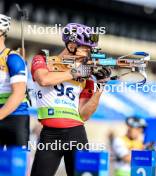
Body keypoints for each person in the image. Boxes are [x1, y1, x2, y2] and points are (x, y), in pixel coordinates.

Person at [30, 23, 111, 176]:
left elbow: (84, 115)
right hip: (49, 135)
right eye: (85, 48)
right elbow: (44, 80)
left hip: (76, 134)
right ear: (71, 45)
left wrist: (100, 87)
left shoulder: (86, 74)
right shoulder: (42, 59)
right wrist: (75, 72)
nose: (88, 53)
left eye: (90, 49)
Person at [0, 14, 29, 148]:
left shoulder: (12, 58)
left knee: (17, 166)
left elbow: (18, 94)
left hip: (15, 117)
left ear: (1, 32)